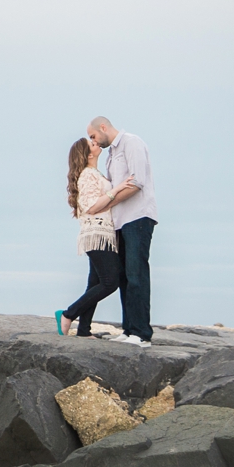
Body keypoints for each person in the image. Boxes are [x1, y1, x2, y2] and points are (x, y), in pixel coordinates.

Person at [87, 115, 157, 344]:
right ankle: (129, 330)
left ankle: (142, 334)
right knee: (125, 277)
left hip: (138, 218)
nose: (93, 141)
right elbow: (114, 187)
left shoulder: (131, 142)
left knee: (137, 275)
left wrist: (109, 202)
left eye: (94, 136)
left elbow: (137, 183)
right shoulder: (110, 156)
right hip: (119, 222)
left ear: (103, 127)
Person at [59, 136, 120, 337]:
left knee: (94, 283)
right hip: (96, 233)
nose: (96, 143)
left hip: (103, 233)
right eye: (91, 144)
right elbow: (91, 206)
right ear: (88, 154)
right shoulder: (87, 175)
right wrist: (118, 190)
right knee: (111, 281)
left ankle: (84, 330)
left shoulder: (94, 173)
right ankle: (68, 314)